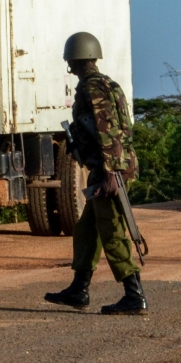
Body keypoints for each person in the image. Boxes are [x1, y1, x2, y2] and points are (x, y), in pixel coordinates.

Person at [45, 32, 147, 315]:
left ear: (72, 61)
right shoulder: (107, 84)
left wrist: (110, 173)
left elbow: (107, 131)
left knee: (112, 231)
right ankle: (79, 289)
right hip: (108, 168)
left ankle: (134, 295)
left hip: (108, 172)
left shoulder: (93, 88)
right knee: (87, 230)